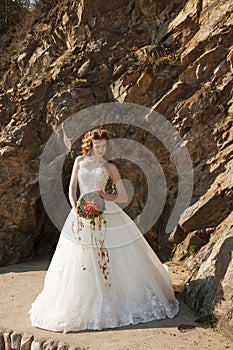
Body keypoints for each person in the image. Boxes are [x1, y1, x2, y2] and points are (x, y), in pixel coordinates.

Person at [28, 128, 179, 333]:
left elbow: (123, 197)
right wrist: (76, 208)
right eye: (97, 146)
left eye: (104, 146)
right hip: (81, 212)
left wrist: (106, 196)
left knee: (113, 255)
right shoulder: (79, 161)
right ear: (90, 145)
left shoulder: (110, 167)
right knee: (80, 258)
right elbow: (73, 189)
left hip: (106, 211)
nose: (101, 149)